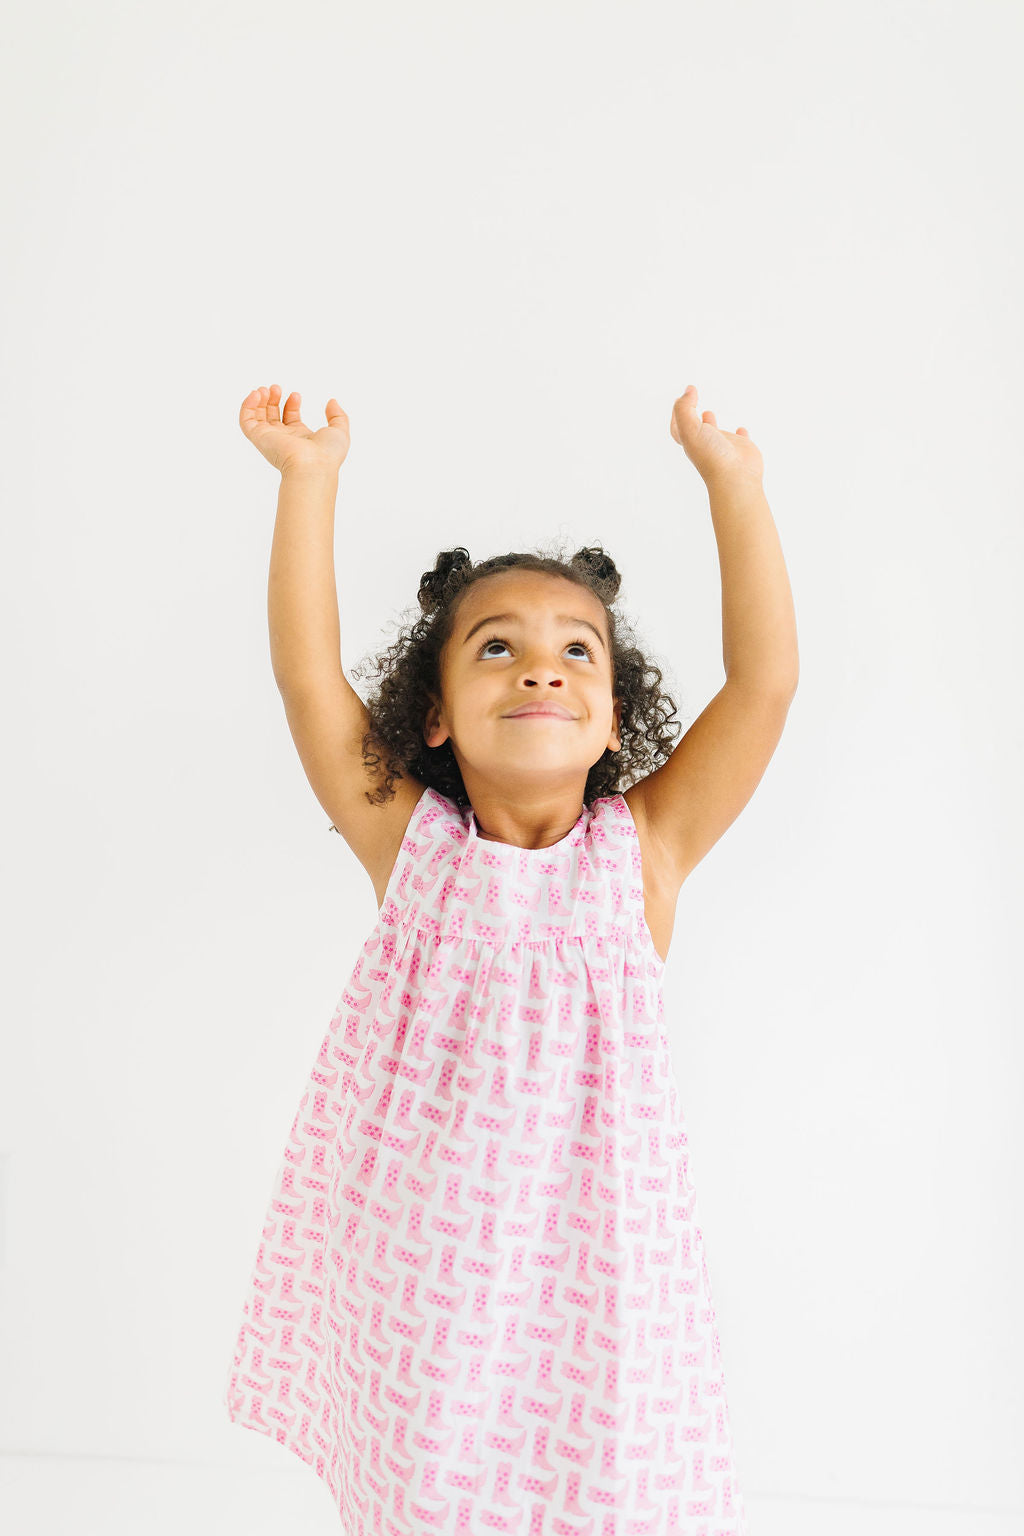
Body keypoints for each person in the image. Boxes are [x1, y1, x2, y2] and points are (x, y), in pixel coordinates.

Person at [225, 381, 799, 1535]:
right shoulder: (413, 844)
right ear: (432, 715)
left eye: (575, 652)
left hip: (601, 1273)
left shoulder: (644, 854)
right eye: (497, 648)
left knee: (601, 1492)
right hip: (423, 1268)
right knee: (426, 1486)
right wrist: (309, 482)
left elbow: (765, 684)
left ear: (611, 718)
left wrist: (734, 483)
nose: (541, 668)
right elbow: (305, 680)